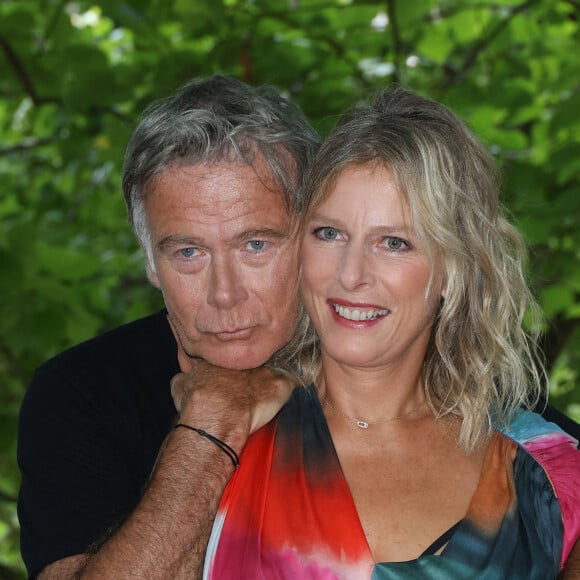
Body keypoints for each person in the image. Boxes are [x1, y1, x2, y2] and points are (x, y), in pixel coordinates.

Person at [202, 85, 580, 578]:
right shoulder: (221, 443)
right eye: (329, 234)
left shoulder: (545, 473)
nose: (351, 273)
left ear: (454, 270)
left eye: (395, 242)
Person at [17, 74, 320, 578]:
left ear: (314, 239)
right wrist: (213, 422)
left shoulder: (381, 369)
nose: (226, 294)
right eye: (189, 252)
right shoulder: (80, 391)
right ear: (151, 264)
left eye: (256, 245)